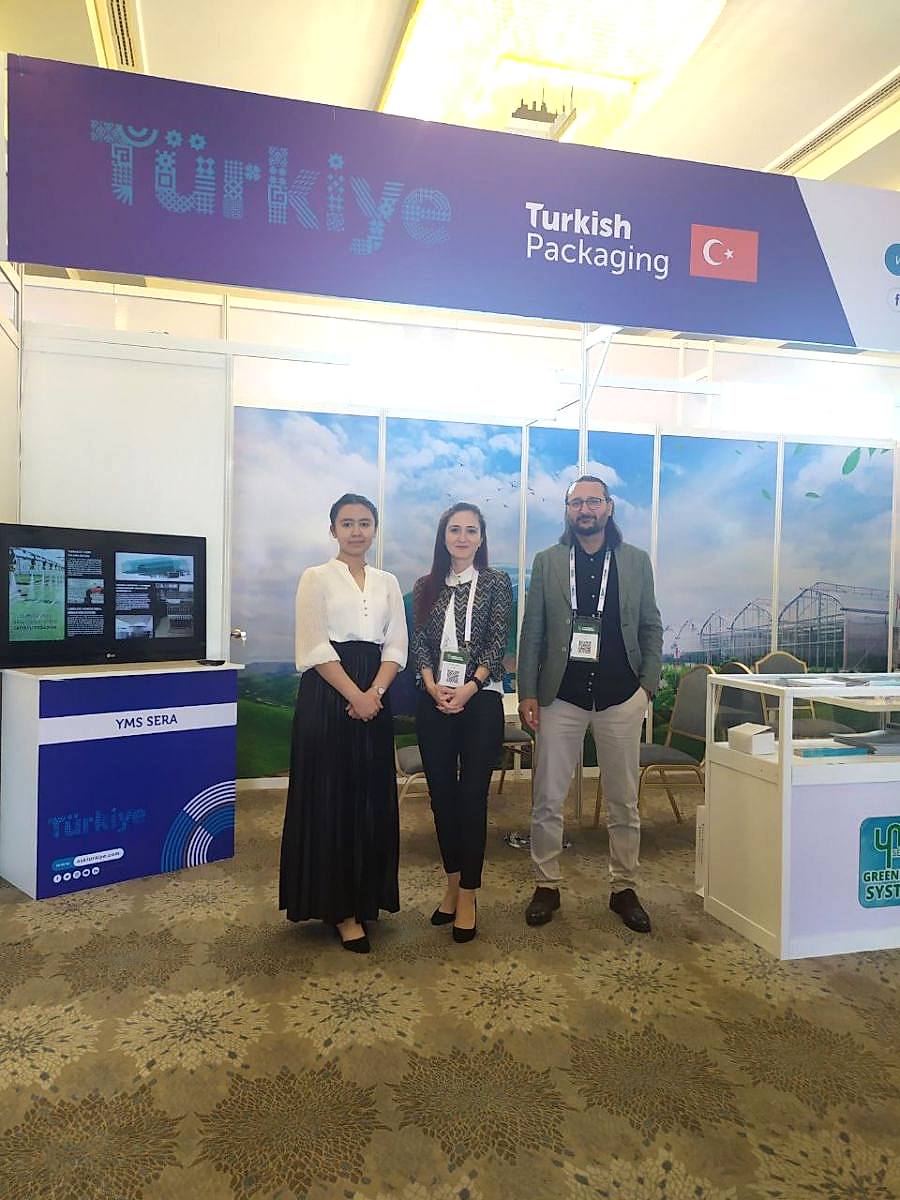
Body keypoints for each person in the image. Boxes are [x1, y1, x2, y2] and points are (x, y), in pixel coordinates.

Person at [517, 475, 663, 933]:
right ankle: (546, 884)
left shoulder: (636, 561)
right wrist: (527, 692)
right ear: (568, 510)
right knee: (547, 798)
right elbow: (533, 631)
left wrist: (647, 688)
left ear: (609, 507)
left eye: (593, 501)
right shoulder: (548, 562)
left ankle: (624, 887)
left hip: (621, 697)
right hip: (561, 697)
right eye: (577, 502)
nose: (585, 509)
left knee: (623, 801)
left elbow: (651, 626)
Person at [279, 493, 408, 953]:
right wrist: (356, 696)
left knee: (370, 799)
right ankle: (340, 910)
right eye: (347, 523)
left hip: (376, 691)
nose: (356, 531)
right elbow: (314, 646)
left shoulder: (388, 582)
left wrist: (375, 694)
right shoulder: (315, 577)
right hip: (328, 694)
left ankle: (366, 898)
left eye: (365, 523)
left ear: (375, 530)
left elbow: (396, 645)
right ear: (332, 529)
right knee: (331, 798)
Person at [412, 503, 512, 943]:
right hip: (434, 698)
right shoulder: (426, 585)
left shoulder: (495, 582)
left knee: (472, 798)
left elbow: (496, 641)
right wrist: (431, 685)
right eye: (455, 529)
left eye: (472, 530)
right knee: (441, 797)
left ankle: (469, 893)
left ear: (481, 538)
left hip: (480, 699)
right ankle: (452, 884)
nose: (463, 537)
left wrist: (470, 687)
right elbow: (419, 642)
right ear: (443, 536)